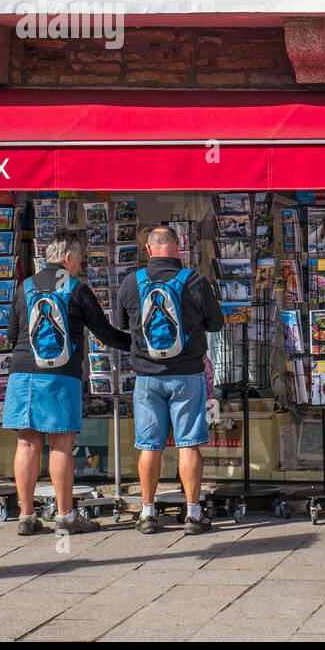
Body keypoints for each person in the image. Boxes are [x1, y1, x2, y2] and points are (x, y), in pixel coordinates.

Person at [3, 230, 131, 536]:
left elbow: (11, 335)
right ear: (68, 258)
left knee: (26, 442)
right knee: (60, 445)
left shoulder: (26, 286)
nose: (81, 265)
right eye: (80, 259)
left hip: (23, 373)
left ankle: (26, 515)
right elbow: (105, 333)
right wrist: (139, 344)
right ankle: (65, 515)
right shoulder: (76, 288)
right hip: (60, 375)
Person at [115, 226, 224, 535]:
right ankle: (192, 514)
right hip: (187, 375)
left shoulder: (131, 282)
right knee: (189, 444)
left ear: (149, 250)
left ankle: (147, 513)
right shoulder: (194, 281)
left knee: (149, 446)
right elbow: (216, 323)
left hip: (147, 378)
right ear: (179, 247)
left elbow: (122, 325)